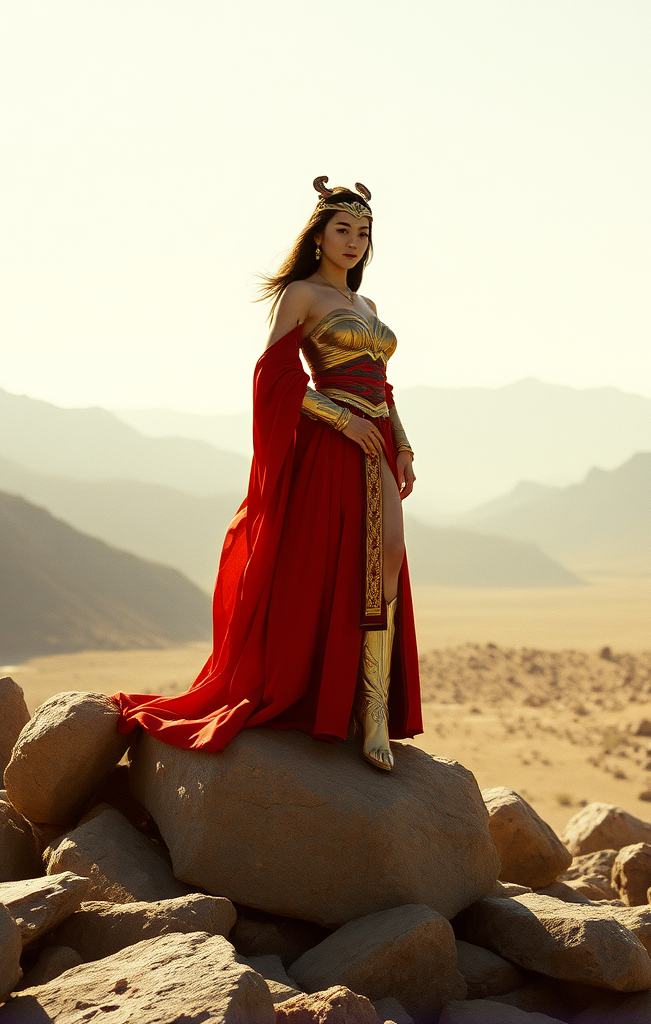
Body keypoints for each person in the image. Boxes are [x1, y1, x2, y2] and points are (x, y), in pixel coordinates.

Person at [112, 178, 422, 770]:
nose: (354, 241)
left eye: (363, 233)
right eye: (343, 230)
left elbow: (382, 385)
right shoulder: (301, 296)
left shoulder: (369, 308)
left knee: (386, 564)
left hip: (377, 441)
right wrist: (338, 419)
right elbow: (274, 378)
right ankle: (355, 717)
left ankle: (373, 712)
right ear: (319, 236)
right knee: (341, 569)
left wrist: (402, 444)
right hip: (332, 446)